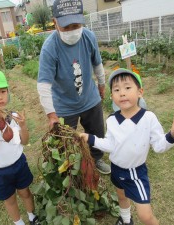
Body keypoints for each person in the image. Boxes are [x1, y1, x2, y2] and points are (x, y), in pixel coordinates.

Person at [80, 68, 174, 225]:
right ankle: (125, 219)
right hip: (116, 168)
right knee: (122, 197)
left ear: (140, 92)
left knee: (145, 216)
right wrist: (90, 138)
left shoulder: (148, 118)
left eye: (127, 88)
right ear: (112, 97)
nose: (122, 93)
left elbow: (158, 146)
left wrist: (172, 135)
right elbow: (110, 144)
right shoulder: (111, 120)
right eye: (116, 90)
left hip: (135, 173)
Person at [37, 0, 110, 174]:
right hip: (64, 105)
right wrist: (52, 115)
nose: (72, 31)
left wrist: (101, 85)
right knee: (65, 141)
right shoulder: (50, 48)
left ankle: (96, 159)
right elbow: (43, 85)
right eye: (66, 27)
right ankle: (69, 166)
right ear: (55, 23)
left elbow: (97, 64)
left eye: (75, 25)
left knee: (97, 132)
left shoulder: (88, 37)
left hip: (90, 98)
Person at [0, 69, 41, 225]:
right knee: (9, 199)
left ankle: (32, 217)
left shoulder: (12, 116)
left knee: (25, 192)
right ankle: (18, 222)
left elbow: (24, 141)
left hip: (19, 163)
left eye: (3, 91)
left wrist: (23, 126)